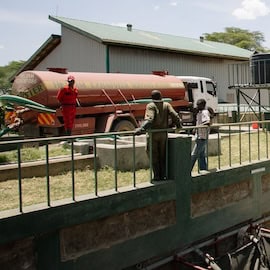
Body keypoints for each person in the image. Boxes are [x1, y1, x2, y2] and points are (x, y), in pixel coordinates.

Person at [135, 90, 182, 181]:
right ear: (161, 96)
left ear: (152, 98)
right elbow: (175, 115)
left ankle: (157, 176)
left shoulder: (151, 106)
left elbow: (150, 119)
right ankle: (163, 175)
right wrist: (179, 126)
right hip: (163, 134)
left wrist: (140, 129)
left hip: (153, 134)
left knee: (153, 155)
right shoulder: (166, 105)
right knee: (162, 155)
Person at [190, 99, 211, 172]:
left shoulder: (205, 112)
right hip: (198, 135)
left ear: (203, 105)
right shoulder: (199, 113)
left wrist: (198, 126)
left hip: (202, 136)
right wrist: (195, 129)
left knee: (194, 154)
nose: (197, 106)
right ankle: (203, 169)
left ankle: (187, 170)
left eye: (199, 105)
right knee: (201, 154)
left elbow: (208, 122)